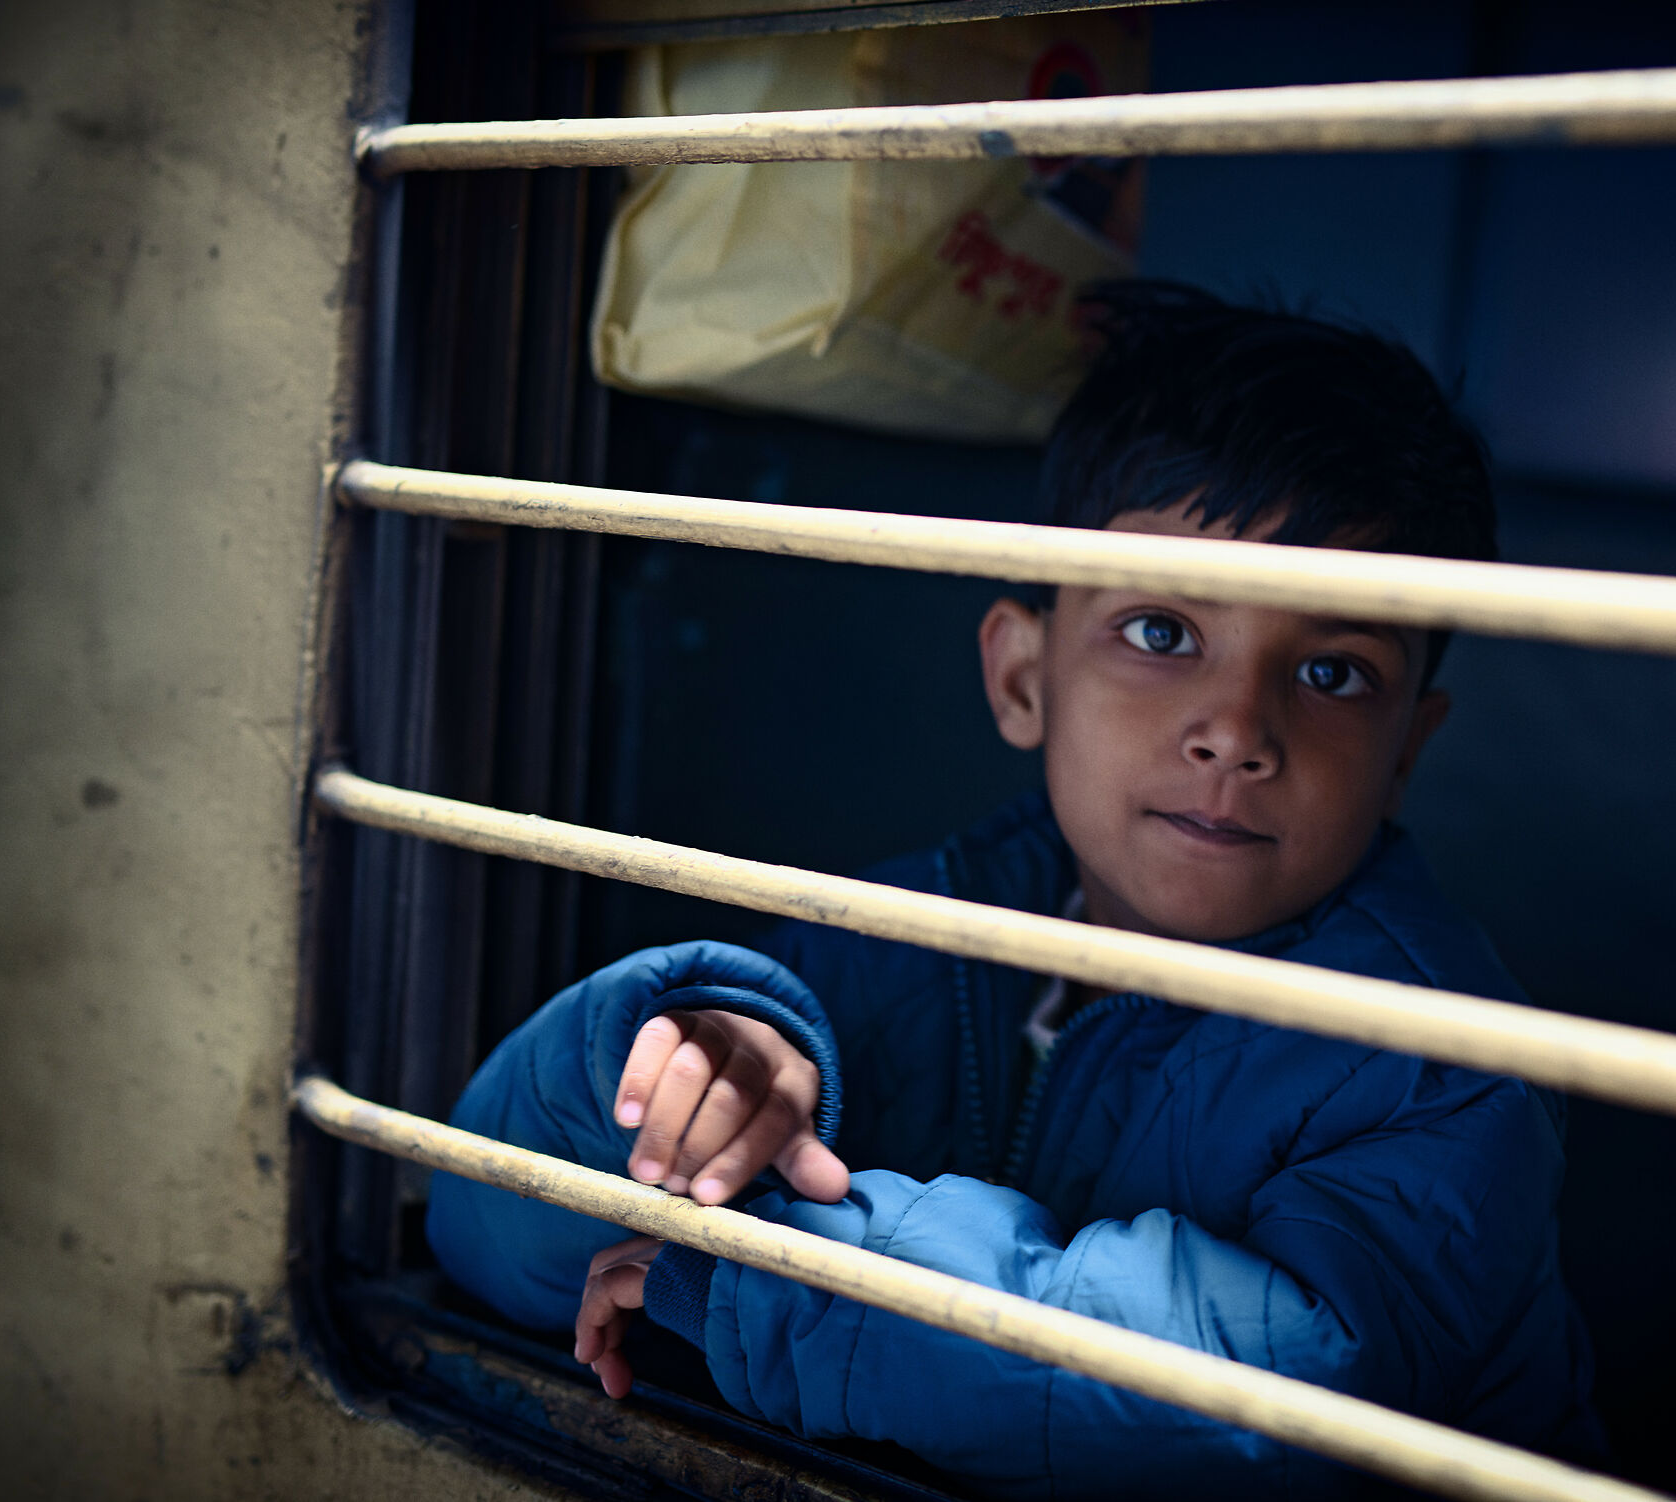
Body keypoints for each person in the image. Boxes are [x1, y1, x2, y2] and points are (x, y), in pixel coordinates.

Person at [427, 282, 1599, 1497]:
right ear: (1024, 675)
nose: (1238, 730)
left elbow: (1275, 1401)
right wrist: (655, 1079)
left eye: (1331, 670)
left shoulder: (1449, 1068)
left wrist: (770, 1276)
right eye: (1160, 633)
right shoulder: (893, 944)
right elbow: (474, 1230)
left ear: (1410, 741)